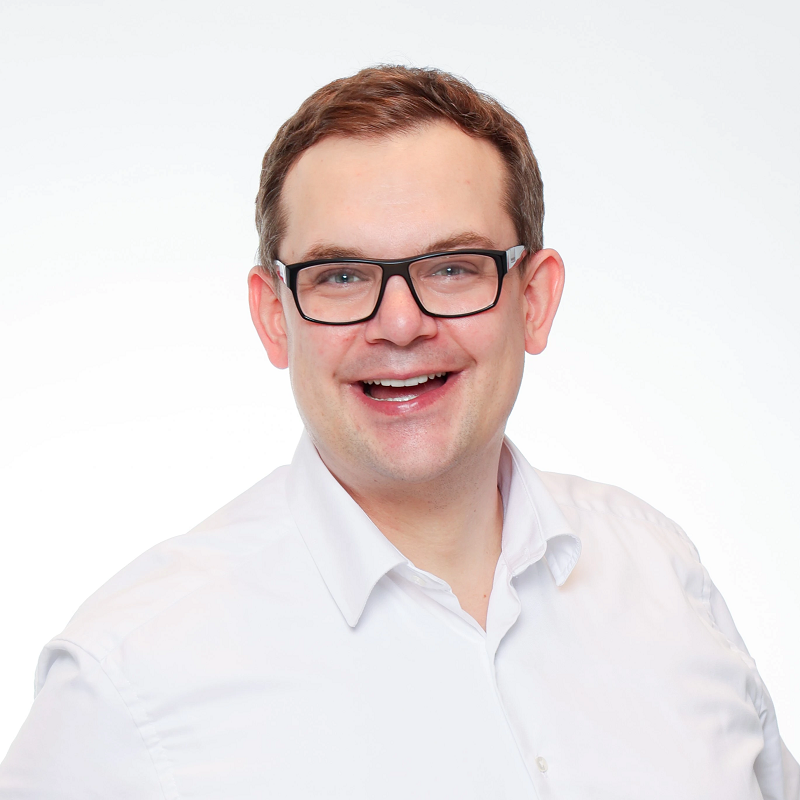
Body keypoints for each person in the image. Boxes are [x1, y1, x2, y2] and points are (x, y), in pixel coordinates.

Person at [0, 65, 796, 800]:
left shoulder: (661, 573)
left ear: (534, 300)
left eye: (452, 267)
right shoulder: (126, 682)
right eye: (341, 276)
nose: (402, 324)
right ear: (274, 317)